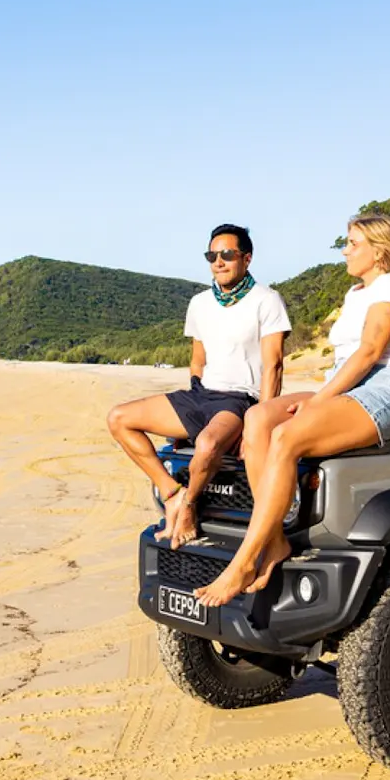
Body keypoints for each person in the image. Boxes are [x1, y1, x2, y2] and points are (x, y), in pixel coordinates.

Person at [196, 212, 390, 603]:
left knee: (285, 437)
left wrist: (318, 402)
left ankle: (245, 560)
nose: (345, 250)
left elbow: (369, 354)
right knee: (258, 417)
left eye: (353, 243)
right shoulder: (355, 293)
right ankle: (275, 540)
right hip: (345, 386)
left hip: (380, 391)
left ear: (378, 252)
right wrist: (323, 396)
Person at [106, 224, 290, 546]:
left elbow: (273, 365)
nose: (218, 261)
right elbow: (197, 359)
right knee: (119, 418)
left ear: (246, 258)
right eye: (212, 255)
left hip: (239, 400)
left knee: (206, 445)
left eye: (227, 254)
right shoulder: (200, 303)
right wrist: (193, 392)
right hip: (200, 394)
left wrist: (257, 425)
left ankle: (189, 504)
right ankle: (171, 493)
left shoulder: (267, 300)